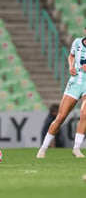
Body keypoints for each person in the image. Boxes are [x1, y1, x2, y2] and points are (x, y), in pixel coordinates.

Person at [37, 28, 86, 158]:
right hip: (75, 83)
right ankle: (43, 148)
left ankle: (76, 148)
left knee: (84, 113)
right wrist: (71, 66)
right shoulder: (77, 42)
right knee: (60, 117)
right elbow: (71, 56)